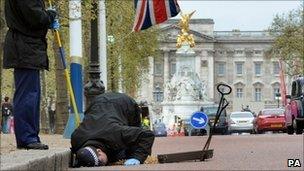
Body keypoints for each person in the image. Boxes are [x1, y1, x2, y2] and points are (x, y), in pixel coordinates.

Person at [3, 0, 59, 149]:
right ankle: (27, 137)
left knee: (31, 94)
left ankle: (30, 136)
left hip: (27, 48)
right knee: (28, 95)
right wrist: (50, 16)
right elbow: (35, 17)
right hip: (25, 48)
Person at [71, 92, 155, 167]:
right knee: (115, 152)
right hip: (96, 104)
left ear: (99, 151)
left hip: (124, 103)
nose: (102, 166)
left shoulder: (116, 133)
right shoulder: (76, 139)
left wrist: (137, 157)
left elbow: (147, 135)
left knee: (132, 147)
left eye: (101, 163)